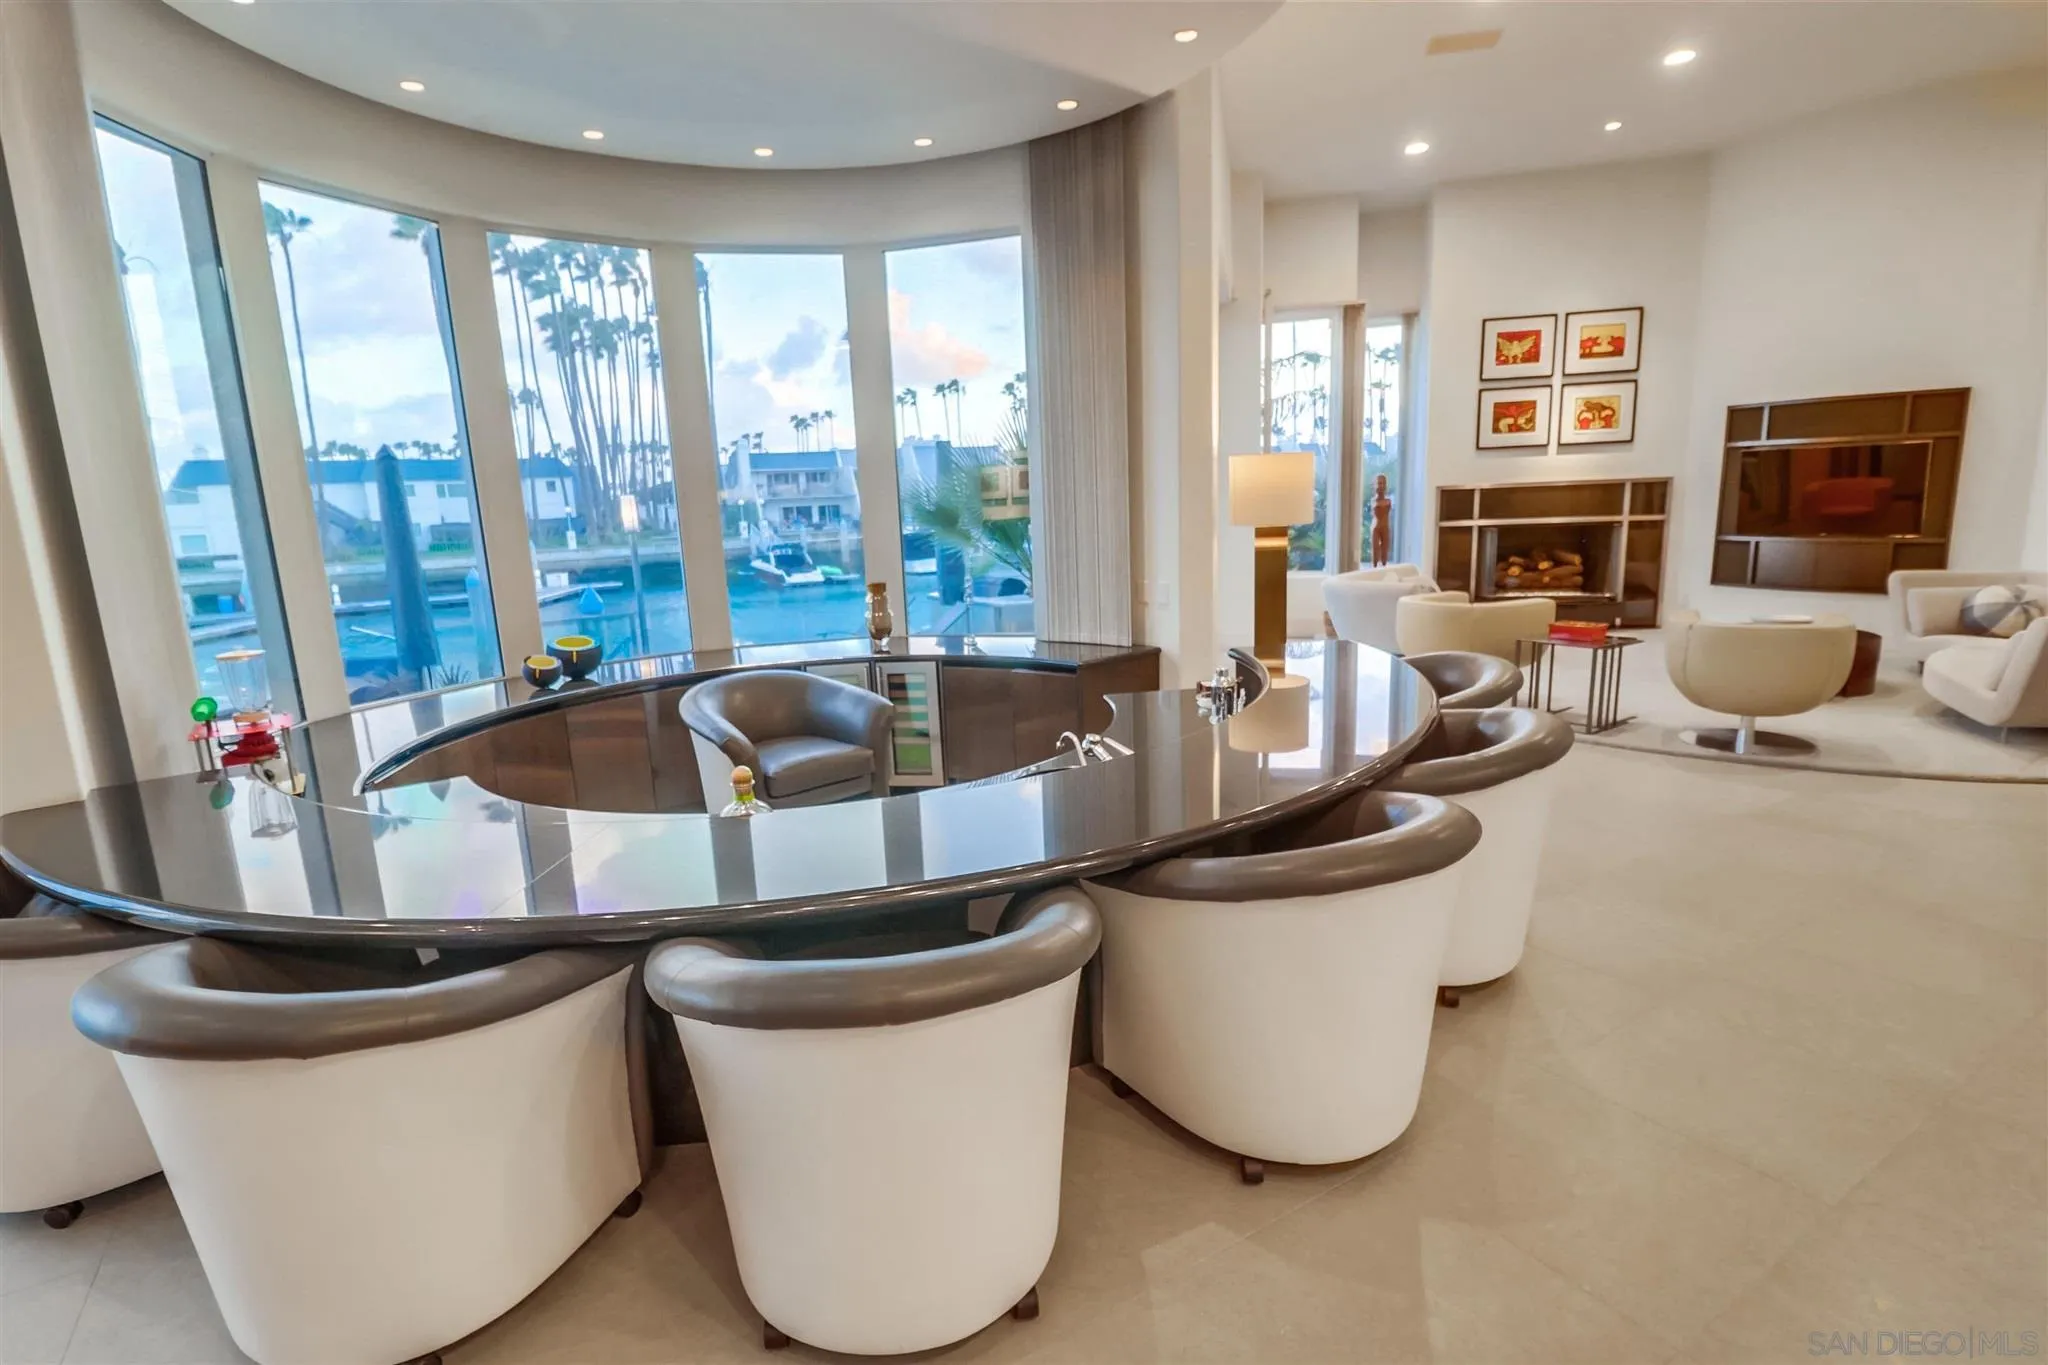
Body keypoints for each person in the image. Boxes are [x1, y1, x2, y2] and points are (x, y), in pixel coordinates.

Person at [1370, 473, 1393, 568]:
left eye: (1383, 483)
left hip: (1385, 527)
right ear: (1375, 485)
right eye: (1379, 483)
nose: (1381, 486)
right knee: (1375, 551)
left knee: (1384, 552)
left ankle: (1383, 568)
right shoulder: (1373, 500)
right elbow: (1375, 509)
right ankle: (1374, 568)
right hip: (1375, 527)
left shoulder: (1388, 501)